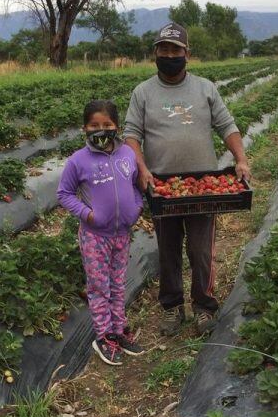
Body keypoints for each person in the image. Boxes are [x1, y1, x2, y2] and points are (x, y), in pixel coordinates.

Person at [124, 22, 250, 336]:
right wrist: (140, 168)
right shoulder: (143, 92)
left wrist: (241, 160)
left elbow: (227, 126)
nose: (169, 55)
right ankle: (171, 306)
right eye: (163, 50)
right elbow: (131, 136)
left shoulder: (205, 88)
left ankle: (204, 306)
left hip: (203, 186)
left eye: (175, 50)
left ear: (187, 54)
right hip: (163, 187)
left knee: (200, 249)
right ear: (155, 53)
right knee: (167, 250)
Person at [57, 100, 145, 365]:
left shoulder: (128, 154)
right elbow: (64, 194)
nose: (101, 130)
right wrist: (88, 215)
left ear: (116, 126)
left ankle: (119, 330)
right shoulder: (78, 161)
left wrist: (137, 207)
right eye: (94, 125)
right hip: (95, 236)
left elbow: (136, 185)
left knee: (118, 284)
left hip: (122, 234)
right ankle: (103, 335)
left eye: (107, 125)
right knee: (99, 287)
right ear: (84, 128)